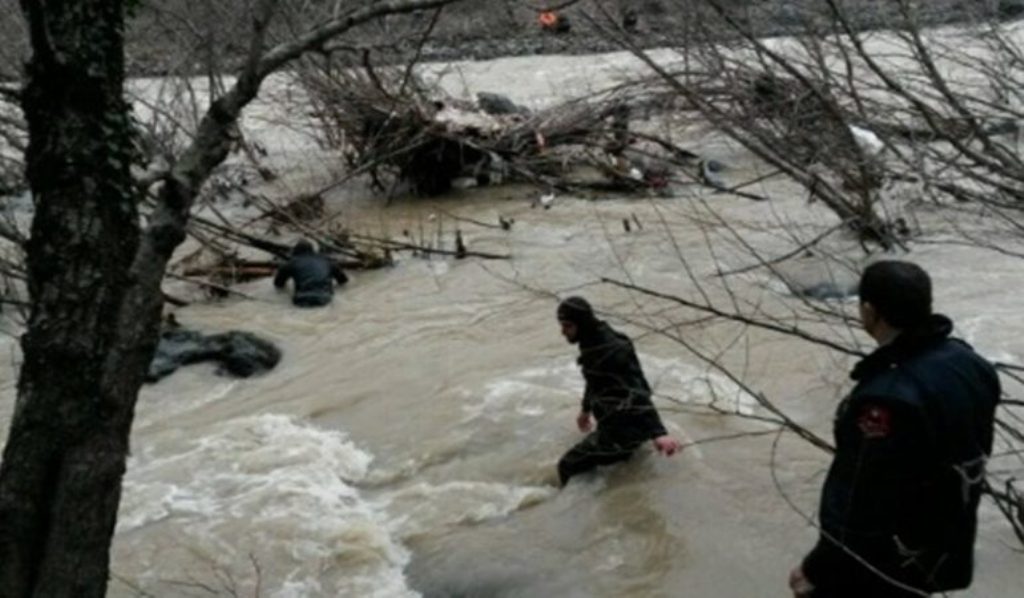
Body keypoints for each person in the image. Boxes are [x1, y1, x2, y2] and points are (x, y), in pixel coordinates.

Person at [789, 261, 1000, 597]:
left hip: (882, 565)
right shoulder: (970, 364)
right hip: (944, 548)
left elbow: (860, 499)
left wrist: (817, 567)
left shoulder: (886, 398)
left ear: (870, 311)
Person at [555, 296, 681, 486]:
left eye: (567, 325)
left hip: (623, 430)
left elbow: (636, 389)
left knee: (566, 466)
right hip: (618, 422)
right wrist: (585, 410)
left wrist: (659, 433)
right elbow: (594, 379)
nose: (562, 332)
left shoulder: (610, 351)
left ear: (581, 323)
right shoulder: (592, 340)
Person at [273, 240, 348, 307]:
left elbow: (278, 284)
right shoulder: (327, 261)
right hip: (325, 299)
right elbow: (343, 281)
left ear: (295, 252)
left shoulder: (290, 263)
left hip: (301, 300)